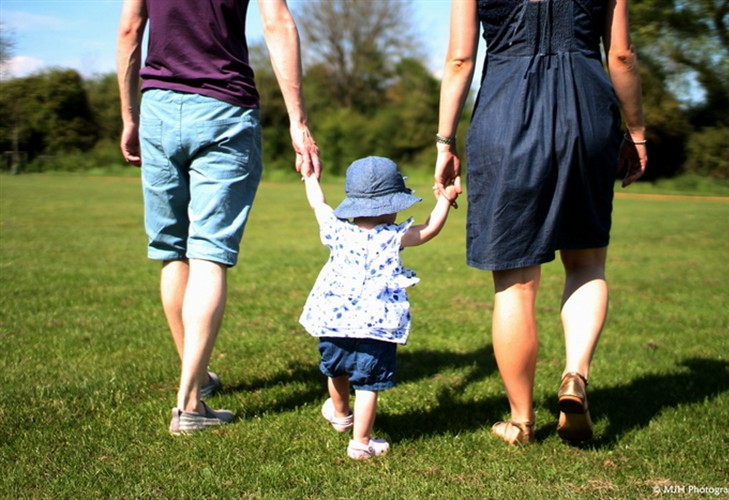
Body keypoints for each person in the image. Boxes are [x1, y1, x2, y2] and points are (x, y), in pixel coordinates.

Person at [434, 0, 648, 445]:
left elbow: (460, 59)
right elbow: (622, 54)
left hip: (506, 117)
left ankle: (521, 420)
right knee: (586, 261)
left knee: (515, 281)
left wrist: (445, 141)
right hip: (588, 116)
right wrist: (638, 132)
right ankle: (575, 375)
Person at [117, 0, 321, 435]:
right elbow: (277, 21)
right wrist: (297, 120)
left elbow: (130, 30)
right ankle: (190, 402)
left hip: (157, 108)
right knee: (208, 253)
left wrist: (128, 116)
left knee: (173, 252)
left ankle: (198, 381)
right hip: (223, 107)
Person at [299, 156, 458, 459]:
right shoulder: (394, 236)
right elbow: (429, 229)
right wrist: (445, 199)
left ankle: (341, 414)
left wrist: (310, 177)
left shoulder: (337, 230)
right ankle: (360, 442)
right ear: (393, 203)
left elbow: (318, 205)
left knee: (336, 370)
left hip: (333, 321)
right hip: (377, 325)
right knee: (368, 384)